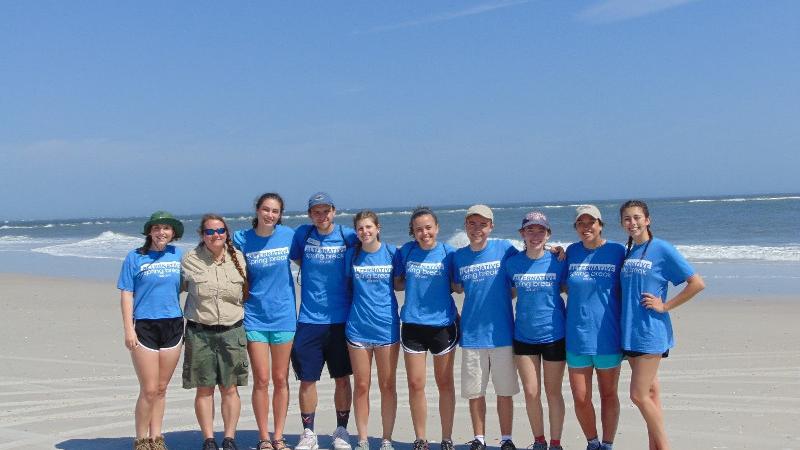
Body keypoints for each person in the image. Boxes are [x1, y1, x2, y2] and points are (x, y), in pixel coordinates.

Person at [618, 200, 705, 450]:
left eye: (636, 217)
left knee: (638, 395)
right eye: (627, 219)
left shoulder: (662, 249)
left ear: (648, 220)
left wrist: (665, 306)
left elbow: (696, 283)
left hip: (650, 332)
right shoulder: (629, 251)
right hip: (629, 332)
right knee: (652, 394)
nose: (632, 223)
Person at [290, 192, 358, 450]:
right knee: (307, 379)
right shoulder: (302, 235)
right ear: (310, 215)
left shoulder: (347, 236)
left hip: (341, 319)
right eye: (316, 212)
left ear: (334, 210)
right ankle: (308, 433)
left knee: (342, 378)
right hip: (309, 319)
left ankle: (341, 431)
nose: (322, 216)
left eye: (326, 210)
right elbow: (298, 259)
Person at [451, 205, 520, 450]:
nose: (477, 229)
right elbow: (455, 287)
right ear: (466, 226)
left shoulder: (506, 250)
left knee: (505, 391)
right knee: (475, 392)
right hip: (471, 335)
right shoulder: (458, 257)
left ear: (491, 226)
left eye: (482, 224)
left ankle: (506, 439)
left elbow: (526, 267)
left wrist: (556, 251)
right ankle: (479, 438)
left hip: (502, 334)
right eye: (472, 223)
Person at [232, 193, 296, 450]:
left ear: (280, 214)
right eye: (266, 209)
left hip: (283, 316)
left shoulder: (289, 236)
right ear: (257, 210)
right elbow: (214, 242)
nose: (270, 214)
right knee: (261, 379)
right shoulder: (242, 238)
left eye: (275, 211)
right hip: (255, 317)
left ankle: (278, 435)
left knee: (281, 379)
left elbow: (316, 253)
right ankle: (263, 437)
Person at [118, 211, 185, 450]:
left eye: (166, 228)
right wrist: (129, 329)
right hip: (144, 326)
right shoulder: (135, 257)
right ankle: (140, 438)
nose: (161, 232)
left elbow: (192, 283)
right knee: (148, 389)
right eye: (157, 228)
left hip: (173, 324)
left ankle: (157, 437)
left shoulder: (179, 255)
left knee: (161, 387)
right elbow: (126, 293)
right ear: (149, 232)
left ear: (173, 233)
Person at [392, 207, 458, 450]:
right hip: (412, 326)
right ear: (413, 232)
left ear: (437, 228)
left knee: (444, 383)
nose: (424, 232)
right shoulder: (406, 252)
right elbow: (398, 283)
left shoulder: (448, 253)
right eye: (419, 229)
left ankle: (447, 438)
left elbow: (458, 285)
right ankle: (421, 438)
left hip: (443, 327)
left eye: (428, 227)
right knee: (416, 384)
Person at [182, 214, 249, 450]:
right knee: (204, 388)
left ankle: (229, 438)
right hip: (200, 332)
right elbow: (171, 291)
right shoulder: (190, 260)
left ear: (227, 233)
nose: (216, 235)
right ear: (202, 234)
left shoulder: (238, 258)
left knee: (230, 388)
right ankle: (208, 439)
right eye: (210, 231)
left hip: (232, 331)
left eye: (220, 230)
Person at [504, 211, 567, 450]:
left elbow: (568, 288)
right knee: (531, 393)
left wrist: (559, 250)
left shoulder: (559, 261)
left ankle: (556, 443)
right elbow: (507, 292)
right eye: (530, 230)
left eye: (540, 230)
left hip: (554, 335)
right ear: (522, 234)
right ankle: (539, 441)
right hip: (523, 337)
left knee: (553, 393)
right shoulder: (512, 263)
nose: (535, 235)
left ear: (548, 234)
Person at [565, 205, 626, 450]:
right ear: (576, 228)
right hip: (576, 337)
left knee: (609, 394)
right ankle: (592, 442)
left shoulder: (617, 251)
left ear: (601, 225)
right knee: (581, 398)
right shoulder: (570, 252)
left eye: (592, 222)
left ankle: (608, 444)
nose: (586, 227)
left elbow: (633, 282)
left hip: (607, 336)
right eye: (581, 223)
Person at [344, 211, 400, 450]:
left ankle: (386, 438)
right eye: (360, 228)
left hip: (387, 328)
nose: (365, 232)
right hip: (357, 330)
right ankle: (363, 439)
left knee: (387, 385)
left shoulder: (391, 253)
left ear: (378, 228)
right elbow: (347, 287)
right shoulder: (351, 256)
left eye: (369, 227)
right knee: (362, 385)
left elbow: (402, 282)